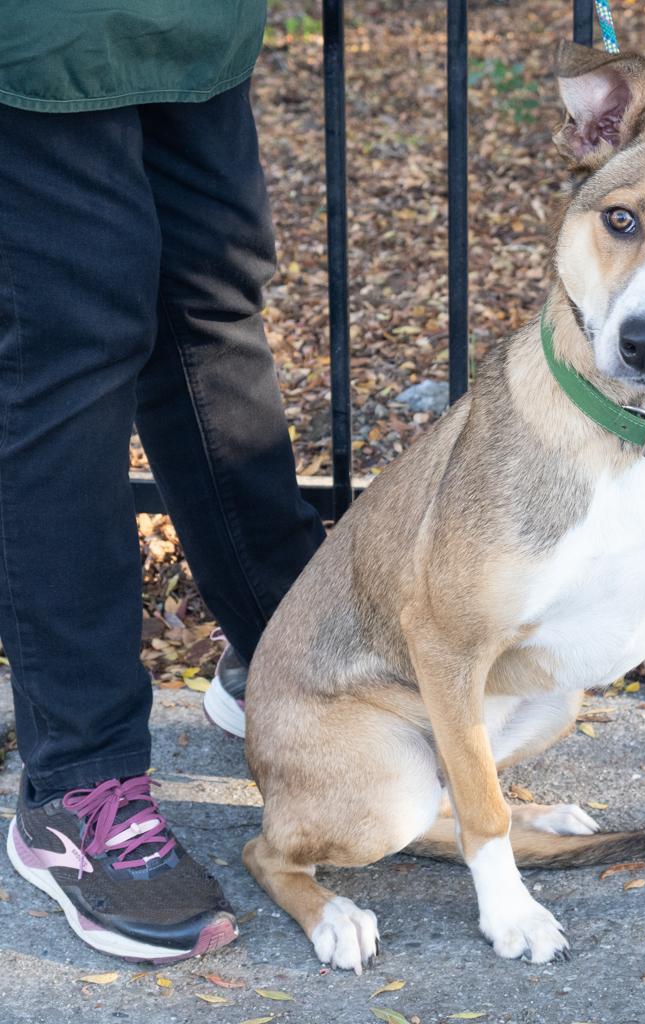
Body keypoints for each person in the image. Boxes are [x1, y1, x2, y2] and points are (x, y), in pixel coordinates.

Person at [0, 2, 325, 963]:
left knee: (210, 306)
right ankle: (79, 783)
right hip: (37, 39)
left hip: (190, 27)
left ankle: (298, 664)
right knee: (70, 355)